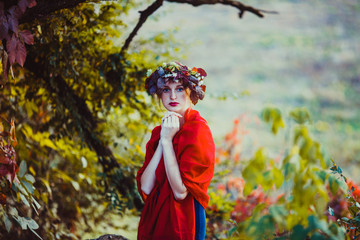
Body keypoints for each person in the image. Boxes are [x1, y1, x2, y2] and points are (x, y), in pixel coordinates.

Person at [136, 62, 215, 240]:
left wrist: (167, 141)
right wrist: (165, 139)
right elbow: (146, 186)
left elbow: (180, 193)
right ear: (159, 94)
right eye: (165, 90)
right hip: (157, 219)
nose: (172, 95)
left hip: (187, 218)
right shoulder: (160, 132)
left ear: (190, 91)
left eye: (179, 89)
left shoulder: (198, 130)